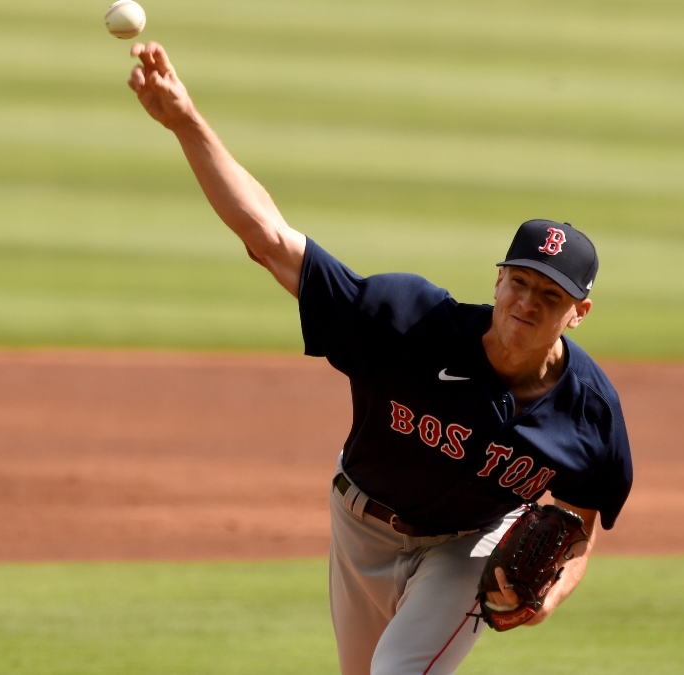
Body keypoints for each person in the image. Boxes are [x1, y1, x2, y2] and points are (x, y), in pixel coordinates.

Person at [126, 42, 633, 675]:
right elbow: (273, 242)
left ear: (578, 312)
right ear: (499, 279)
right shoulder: (409, 322)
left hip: (467, 549)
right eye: (520, 282)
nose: (527, 303)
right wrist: (185, 121)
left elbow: (579, 518)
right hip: (358, 525)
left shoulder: (590, 412)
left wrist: (550, 596)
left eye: (550, 295)